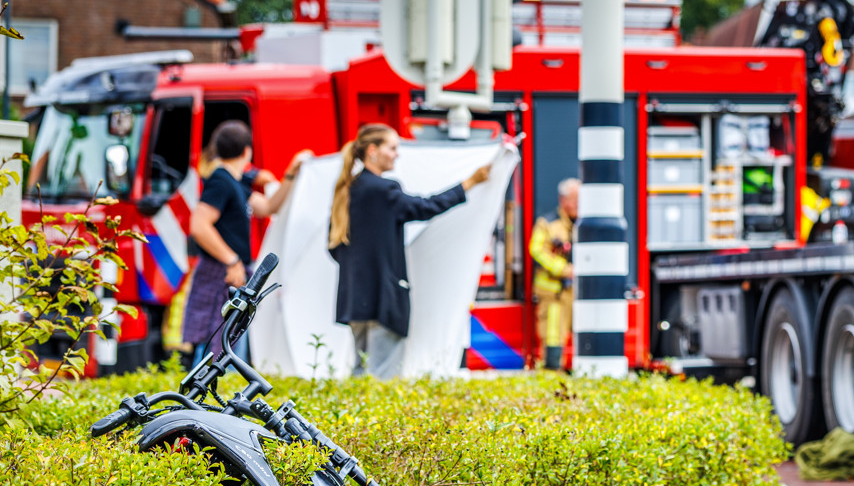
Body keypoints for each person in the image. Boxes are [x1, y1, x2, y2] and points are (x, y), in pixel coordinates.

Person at [328, 123, 491, 380]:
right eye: (392, 148)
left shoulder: (348, 189)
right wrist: (468, 183)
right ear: (373, 150)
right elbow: (425, 207)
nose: (397, 154)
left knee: (360, 376)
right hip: (385, 297)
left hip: (354, 299)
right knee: (383, 377)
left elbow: (335, 248)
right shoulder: (385, 189)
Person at [183, 120, 309, 363]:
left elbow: (269, 207)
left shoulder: (235, 182)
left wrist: (291, 173)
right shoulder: (221, 181)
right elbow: (199, 226)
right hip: (220, 274)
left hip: (229, 274)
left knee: (229, 339)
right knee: (217, 342)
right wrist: (232, 262)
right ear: (247, 151)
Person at [530, 177, 578, 370]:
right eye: (574, 199)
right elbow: (536, 249)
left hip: (576, 293)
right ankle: (551, 374)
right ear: (563, 200)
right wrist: (563, 269)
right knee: (552, 335)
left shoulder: (586, 223)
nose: (578, 204)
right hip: (554, 294)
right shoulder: (548, 224)